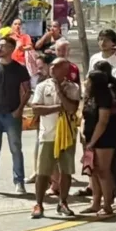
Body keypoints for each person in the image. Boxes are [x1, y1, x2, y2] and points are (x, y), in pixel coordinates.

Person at [29, 57, 81, 219]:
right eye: (51, 65)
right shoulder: (42, 87)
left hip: (66, 135)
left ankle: (63, 202)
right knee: (42, 172)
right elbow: (36, 108)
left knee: (66, 170)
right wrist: (58, 107)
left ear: (65, 70)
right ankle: (39, 203)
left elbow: (72, 108)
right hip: (48, 135)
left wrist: (60, 92)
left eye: (57, 66)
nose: (52, 68)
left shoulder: (73, 87)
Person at [0, 37, 31, 195]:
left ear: (11, 49)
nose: (0, 48)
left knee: (16, 149)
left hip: (12, 113)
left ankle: (19, 182)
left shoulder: (19, 68)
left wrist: (19, 109)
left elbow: (27, 90)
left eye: (3, 46)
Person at [81, 69, 116, 215]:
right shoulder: (89, 97)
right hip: (89, 137)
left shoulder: (104, 96)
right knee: (92, 170)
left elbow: (103, 120)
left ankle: (107, 203)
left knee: (103, 171)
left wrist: (93, 141)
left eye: (88, 80)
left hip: (104, 138)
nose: (86, 82)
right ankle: (95, 202)